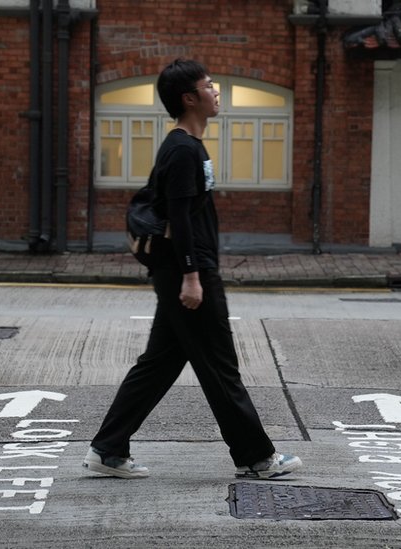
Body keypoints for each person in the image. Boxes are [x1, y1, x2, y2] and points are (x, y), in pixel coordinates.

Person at [83, 59, 302, 480]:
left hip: (184, 272)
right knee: (220, 365)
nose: (217, 91)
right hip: (190, 273)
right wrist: (191, 276)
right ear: (189, 98)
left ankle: (108, 449)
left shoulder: (187, 146)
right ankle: (257, 456)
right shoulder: (183, 149)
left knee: (159, 364)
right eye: (209, 86)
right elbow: (179, 220)